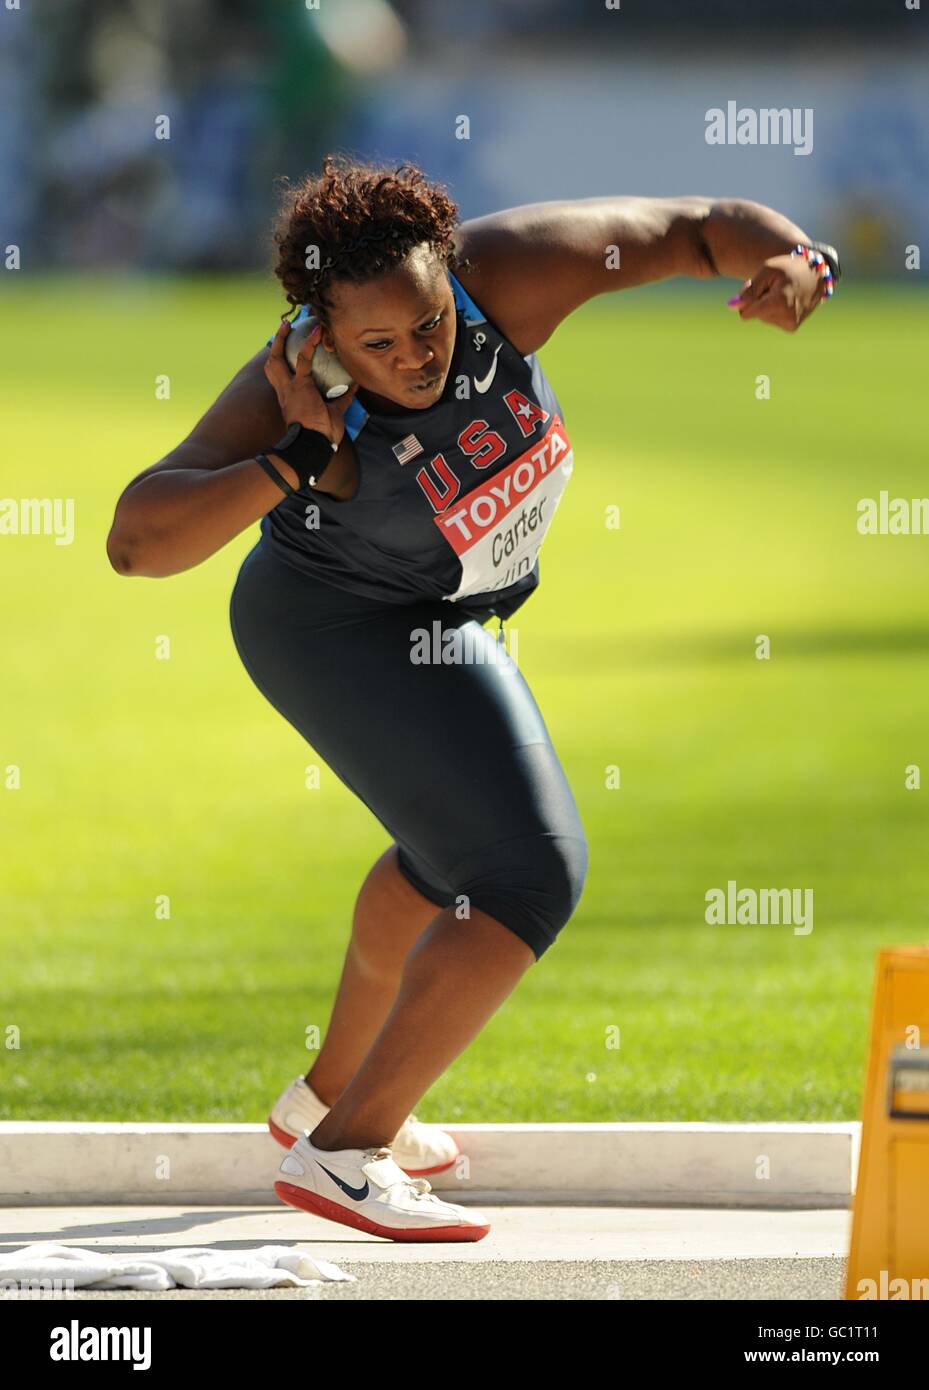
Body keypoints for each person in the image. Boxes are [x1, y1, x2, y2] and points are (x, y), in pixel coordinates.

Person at [106, 155, 840, 1242]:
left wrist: (789, 254)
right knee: (526, 872)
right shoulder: (290, 379)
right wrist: (294, 458)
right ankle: (345, 1152)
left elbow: (692, 225)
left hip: (440, 616)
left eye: (426, 326)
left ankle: (321, 1098)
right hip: (328, 626)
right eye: (378, 346)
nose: (412, 359)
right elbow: (136, 541)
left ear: (450, 276)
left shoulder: (505, 276)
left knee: (450, 859)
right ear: (321, 332)